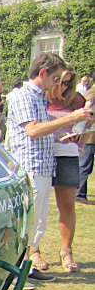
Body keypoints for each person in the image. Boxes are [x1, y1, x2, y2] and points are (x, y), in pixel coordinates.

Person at [6, 52, 92, 287]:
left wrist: (61, 137)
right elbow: (32, 130)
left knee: (38, 222)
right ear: (43, 73)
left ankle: (27, 268)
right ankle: (14, 275)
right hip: (30, 167)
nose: (58, 85)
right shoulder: (23, 96)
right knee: (26, 223)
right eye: (56, 79)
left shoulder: (38, 97)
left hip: (43, 165)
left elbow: (41, 132)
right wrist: (70, 118)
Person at [46, 66, 85, 272]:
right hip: (42, 155)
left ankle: (66, 251)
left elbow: (88, 125)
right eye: (60, 81)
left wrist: (80, 144)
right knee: (38, 206)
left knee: (68, 205)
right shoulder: (41, 98)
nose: (63, 86)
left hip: (67, 155)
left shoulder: (76, 100)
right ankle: (34, 252)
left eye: (68, 82)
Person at [77, 86, 95, 205]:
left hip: (91, 137)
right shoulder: (91, 96)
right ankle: (79, 194)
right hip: (89, 138)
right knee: (85, 166)